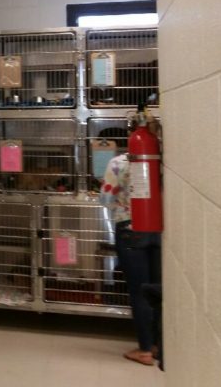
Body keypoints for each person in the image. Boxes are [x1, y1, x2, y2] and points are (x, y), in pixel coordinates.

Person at [99, 113, 162, 367]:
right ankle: (159, 344)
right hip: (156, 229)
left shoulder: (117, 163)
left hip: (129, 230)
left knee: (139, 290)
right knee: (157, 289)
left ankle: (145, 349)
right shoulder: (159, 162)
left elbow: (104, 198)